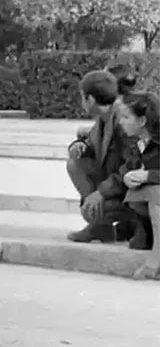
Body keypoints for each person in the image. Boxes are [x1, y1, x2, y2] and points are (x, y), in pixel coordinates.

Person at [66, 70, 130, 243]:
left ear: (91, 100)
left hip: (132, 190)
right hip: (117, 183)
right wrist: (80, 147)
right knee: (75, 164)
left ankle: (109, 223)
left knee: (93, 207)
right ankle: (100, 226)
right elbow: (93, 145)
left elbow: (132, 167)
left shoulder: (123, 122)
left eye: (82, 97)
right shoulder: (104, 118)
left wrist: (100, 193)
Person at [107, 92, 160, 277]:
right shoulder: (137, 143)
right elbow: (127, 168)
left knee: (156, 193)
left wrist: (148, 175)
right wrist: (128, 176)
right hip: (144, 204)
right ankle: (146, 234)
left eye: (126, 117)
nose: (121, 122)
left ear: (143, 120)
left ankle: (155, 260)